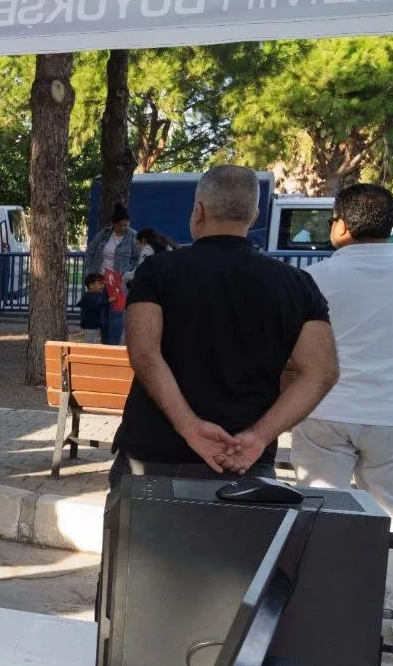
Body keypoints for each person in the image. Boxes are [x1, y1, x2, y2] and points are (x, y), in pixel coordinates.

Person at [111, 165, 338, 488]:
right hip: (245, 462)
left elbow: (145, 353)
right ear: (255, 216)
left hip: (152, 454)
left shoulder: (158, 271)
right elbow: (322, 371)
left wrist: (190, 427)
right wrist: (258, 437)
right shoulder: (297, 284)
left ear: (198, 211)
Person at [290, 183, 393, 633]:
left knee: (321, 509)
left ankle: (321, 609)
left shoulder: (315, 278)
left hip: (326, 409)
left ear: (340, 226)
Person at [84, 203, 138, 345]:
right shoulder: (104, 235)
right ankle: (103, 343)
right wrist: (89, 272)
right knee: (100, 315)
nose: (123, 228)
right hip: (100, 280)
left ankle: (112, 345)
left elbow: (137, 259)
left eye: (126, 225)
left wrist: (128, 274)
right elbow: (90, 251)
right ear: (114, 224)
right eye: (120, 225)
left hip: (118, 282)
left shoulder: (133, 237)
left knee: (115, 316)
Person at [77, 273, 109, 344]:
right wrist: (106, 302)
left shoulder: (97, 295)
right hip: (90, 326)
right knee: (89, 344)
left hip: (95, 326)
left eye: (103, 284)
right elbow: (94, 307)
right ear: (91, 285)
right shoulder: (89, 296)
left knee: (94, 343)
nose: (102, 286)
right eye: (100, 283)